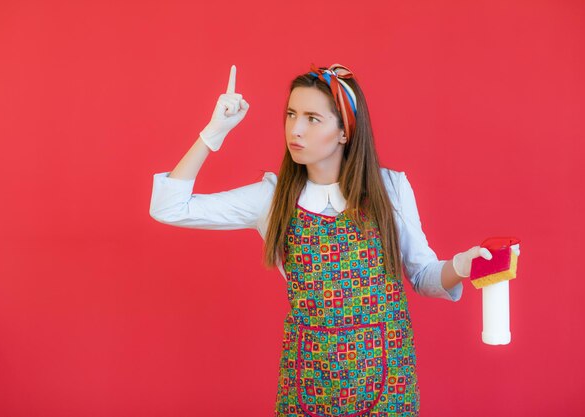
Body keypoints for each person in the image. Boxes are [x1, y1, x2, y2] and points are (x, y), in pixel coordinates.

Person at [149, 63, 504, 416]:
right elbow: (169, 208)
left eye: (311, 118)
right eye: (290, 114)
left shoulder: (390, 189)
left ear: (344, 132)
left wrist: (462, 265)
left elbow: (424, 277)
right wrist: (213, 133)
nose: (295, 129)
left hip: (387, 380)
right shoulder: (272, 199)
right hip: (308, 380)